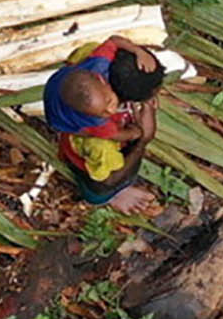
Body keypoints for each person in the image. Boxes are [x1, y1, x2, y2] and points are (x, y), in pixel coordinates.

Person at [41, 38, 162, 210]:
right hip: (69, 127)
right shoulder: (96, 128)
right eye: (105, 110)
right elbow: (107, 179)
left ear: (102, 79)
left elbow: (114, 40)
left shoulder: (95, 60)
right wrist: (140, 137)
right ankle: (104, 198)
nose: (111, 111)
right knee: (97, 187)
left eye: (109, 101)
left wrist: (138, 51)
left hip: (59, 90)